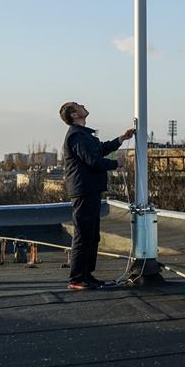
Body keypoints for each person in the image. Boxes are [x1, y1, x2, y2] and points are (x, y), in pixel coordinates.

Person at [60, 102, 134, 290]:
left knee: (92, 236)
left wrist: (121, 139)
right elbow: (93, 160)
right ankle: (77, 278)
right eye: (78, 106)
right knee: (84, 235)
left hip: (90, 190)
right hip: (83, 190)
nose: (83, 106)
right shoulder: (77, 136)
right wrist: (115, 164)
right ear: (74, 115)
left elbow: (100, 149)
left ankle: (86, 275)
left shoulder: (84, 135)